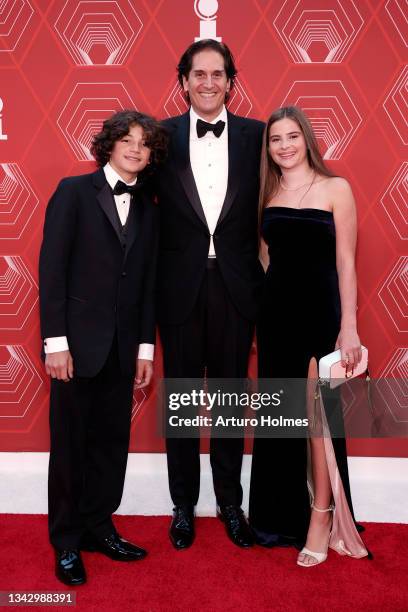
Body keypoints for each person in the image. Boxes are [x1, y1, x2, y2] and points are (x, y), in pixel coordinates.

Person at [39, 110, 167, 585]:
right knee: (71, 447)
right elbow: (52, 272)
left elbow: (148, 283)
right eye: (127, 140)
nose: (136, 149)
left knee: (113, 445)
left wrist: (145, 350)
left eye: (144, 144)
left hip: (122, 351)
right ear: (109, 145)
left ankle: (99, 526)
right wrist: (56, 343)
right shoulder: (73, 192)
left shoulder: (150, 208)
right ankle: (67, 542)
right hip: (74, 348)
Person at [249, 106, 369, 566]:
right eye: (275, 139)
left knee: (318, 418)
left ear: (307, 140)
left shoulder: (336, 188)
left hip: (322, 315)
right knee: (284, 415)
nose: (283, 145)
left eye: (291, 136)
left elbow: (346, 261)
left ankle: (322, 516)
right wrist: (263, 313)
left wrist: (350, 325)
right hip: (277, 316)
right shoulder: (269, 192)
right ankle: (281, 516)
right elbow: (264, 259)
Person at [155, 39, 264, 549]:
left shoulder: (258, 137)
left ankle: (229, 503)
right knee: (181, 400)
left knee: (227, 400)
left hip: (238, 286)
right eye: (198, 74)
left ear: (230, 82)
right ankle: (182, 506)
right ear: (183, 82)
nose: (208, 83)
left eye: (217, 74)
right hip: (178, 286)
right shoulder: (159, 137)